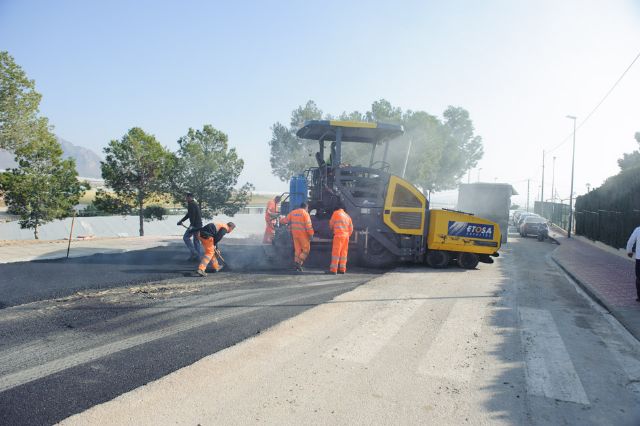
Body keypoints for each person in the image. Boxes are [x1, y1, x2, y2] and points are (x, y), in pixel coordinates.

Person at [281, 202, 314, 271]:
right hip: (303, 235)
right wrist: (311, 234)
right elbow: (308, 226)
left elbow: (285, 220)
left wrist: (280, 220)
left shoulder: (293, 212)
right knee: (306, 250)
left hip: (295, 235)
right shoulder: (305, 214)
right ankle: (298, 263)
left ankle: (296, 264)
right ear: (306, 207)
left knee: (297, 250)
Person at [328, 203, 353, 274]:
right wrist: (347, 235)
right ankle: (342, 269)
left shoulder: (336, 213)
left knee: (336, 253)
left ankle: (333, 270)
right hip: (346, 237)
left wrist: (332, 230)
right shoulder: (347, 216)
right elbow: (351, 228)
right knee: (344, 253)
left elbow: (331, 224)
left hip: (338, 236)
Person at [177, 193, 203, 261]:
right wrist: (181, 221)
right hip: (198, 224)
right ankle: (197, 257)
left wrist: (192, 225)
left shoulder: (191, 204)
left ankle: (194, 253)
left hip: (195, 225)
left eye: (186, 197)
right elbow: (189, 214)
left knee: (186, 237)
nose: (185, 199)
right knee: (196, 240)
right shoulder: (194, 203)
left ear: (190, 197)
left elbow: (193, 215)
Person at [625, 226, 640, 302]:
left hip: (639, 258)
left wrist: (629, 251)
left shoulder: (638, 229)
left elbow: (630, 241)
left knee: (639, 277)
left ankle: (639, 296)